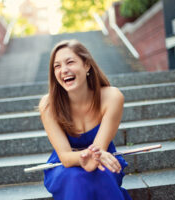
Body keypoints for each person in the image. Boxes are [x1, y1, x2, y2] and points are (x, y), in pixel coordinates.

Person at [39, 39, 131, 200]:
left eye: (70, 62)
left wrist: (93, 157)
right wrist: (85, 157)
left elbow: (98, 151)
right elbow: (66, 157)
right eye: (57, 66)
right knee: (75, 178)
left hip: (102, 156)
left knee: (100, 174)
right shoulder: (48, 105)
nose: (64, 70)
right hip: (64, 164)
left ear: (87, 65)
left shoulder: (112, 97)